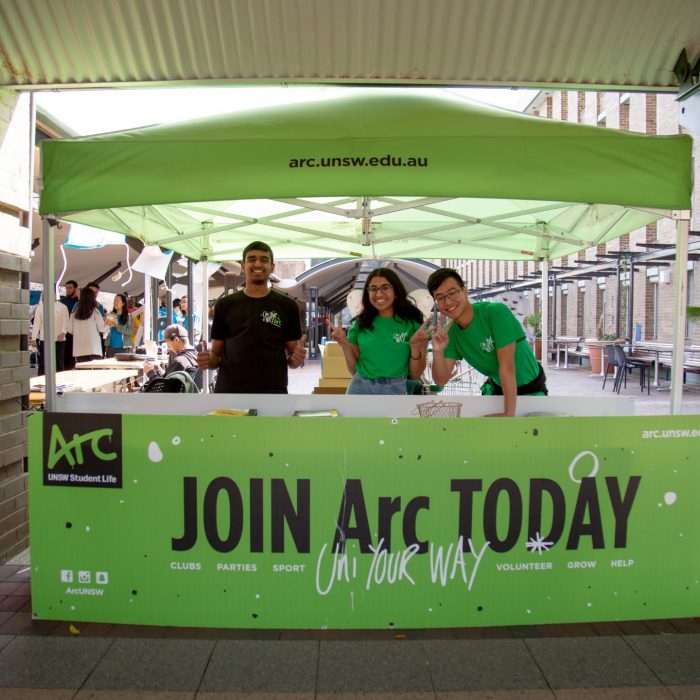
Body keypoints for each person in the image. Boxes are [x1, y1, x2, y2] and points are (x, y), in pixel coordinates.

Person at [427, 268, 547, 417]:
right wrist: (438, 351)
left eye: (452, 293)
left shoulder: (495, 312)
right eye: (440, 297)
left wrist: (508, 414)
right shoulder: (449, 333)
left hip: (531, 389)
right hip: (498, 391)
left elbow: (507, 367)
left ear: (465, 291)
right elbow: (440, 381)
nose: (448, 301)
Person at [197, 241, 306, 393]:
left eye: (264, 259)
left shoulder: (287, 306)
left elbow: (292, 358)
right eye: (252, 259)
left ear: (272, 267)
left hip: (272, 391)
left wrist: (297, 359)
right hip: (230, 391)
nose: (258, 264)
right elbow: (216, 354)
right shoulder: (225, 305)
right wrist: (208, 361)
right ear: (243, 265)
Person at [330, 268, 430, 395]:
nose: (378, 294)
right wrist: (345, 346)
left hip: (395, 389)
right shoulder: (360, 324)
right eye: (373, 289)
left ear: (396, 292)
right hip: (359, 387)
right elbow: (354, 371)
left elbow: (415, 375)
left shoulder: (414, 325)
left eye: (385, 287)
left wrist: (415, 347)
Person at [31, 293, 69, 375]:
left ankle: (60, 379)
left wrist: (63, 332)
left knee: (59, 361)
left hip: (59, 339)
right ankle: (41, 380)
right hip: (44, 339)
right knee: (43, 361)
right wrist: (33, 338)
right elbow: (36, 323)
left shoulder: (63, 307)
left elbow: (66, 321)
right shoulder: (40, 307)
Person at [67, 287, 106, 362]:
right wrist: (107, 325)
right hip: (94, 348)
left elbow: (70, 330)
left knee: (83, 372)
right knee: (95, 373)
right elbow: (102, 328)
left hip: (79, 349)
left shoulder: (74, 312)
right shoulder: (95, 312)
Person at [105, 293, 135, 357]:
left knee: (122, 367)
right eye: (114, 300)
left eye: (117, 301)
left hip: (123, 348)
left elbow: (130, 332)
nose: (115, 302)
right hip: (110, 348)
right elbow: (105, 332)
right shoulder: (110, 315)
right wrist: (105, 325)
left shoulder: (128, 317)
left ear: (123, 303)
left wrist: (117, 325)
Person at [60, 280, 80, 369]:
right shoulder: (62, 301)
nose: (68, 290)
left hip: (75, 332)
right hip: (63, 332)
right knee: (63, 354)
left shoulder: (79, 302)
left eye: (70, 288)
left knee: (72, 354)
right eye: (67, 288)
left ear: (75, 289)